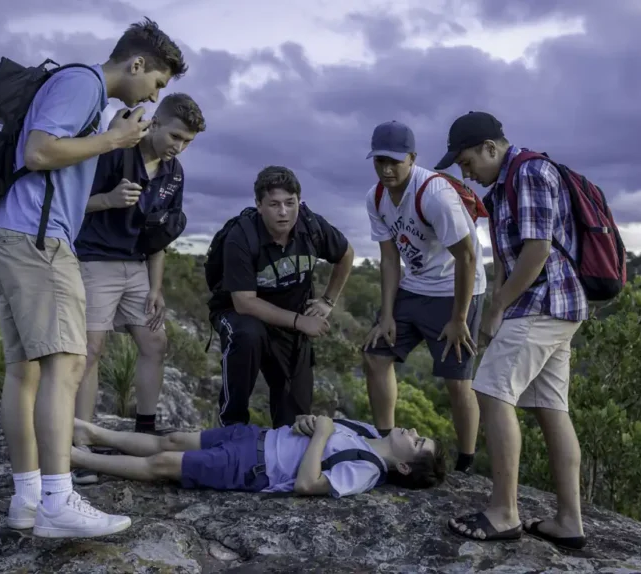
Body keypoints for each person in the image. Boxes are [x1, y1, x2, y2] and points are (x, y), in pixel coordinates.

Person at [0, 18, 188, 539]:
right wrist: (113, 139)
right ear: (136, 64)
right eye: (157, 83)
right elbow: (39, 152)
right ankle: (57, 498)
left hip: (11, 232)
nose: (155, 93)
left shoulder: (87, 96)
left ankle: (29, 499)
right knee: (67, 363)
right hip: (37, 238)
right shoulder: (82, 83)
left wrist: (107, 132)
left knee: (24, 371)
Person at [436, 111, 588, 550]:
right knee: (549, 407)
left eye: (467, 162)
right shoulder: (502, 187)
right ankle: (568, 522)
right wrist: (496, 304)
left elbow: (537, 251)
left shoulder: (531, 173)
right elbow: (506, 256)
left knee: (491, 391)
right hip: (547, 307)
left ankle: (504, 512)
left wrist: (497, 307)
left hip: (544, 304)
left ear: (491, 147)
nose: (467, 172)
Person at [71, 93, 205, 486]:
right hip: (95, 260)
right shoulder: (114, 149)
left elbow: (159, 235)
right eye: (176, 136)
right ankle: (81, 443)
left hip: (138, 268)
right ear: (156, 123)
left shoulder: (174, 173)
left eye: (187, 143)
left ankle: (143, 433)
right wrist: (109, 200)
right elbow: (68, 203)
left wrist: (156, 287)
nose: (179, 147)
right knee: (91, 350)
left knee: (154, 343)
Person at [361, 121, 485, 474]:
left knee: (457, 381)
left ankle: (466, 463)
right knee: (374, 355)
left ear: (412, 159)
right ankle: (386, 443)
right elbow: (388, 258)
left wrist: (459, 319)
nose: (386, 169)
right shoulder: (377, 197)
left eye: (395, 162)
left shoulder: (434, 194)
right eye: (379, 161)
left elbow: (467, 257)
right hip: (414, 286)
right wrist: (386, 315)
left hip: (455, 289)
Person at [206, 166, 355, 428]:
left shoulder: (311, 227)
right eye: (274, 204)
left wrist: (327, 301)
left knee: (294, 419)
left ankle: (282, 452)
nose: (284, 212)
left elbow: (346, 254)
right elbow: (244, 302)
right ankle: (231, 427)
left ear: (299, 201)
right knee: (247, 335)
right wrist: (300, 321)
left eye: (290, 203)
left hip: (289, 321)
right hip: (240, 315)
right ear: (259, 205)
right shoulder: (241, 236)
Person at [70, 414, 448, 497]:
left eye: (417, 443)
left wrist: (321, 434)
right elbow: (315, 424)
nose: (413, 432)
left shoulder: (366, 471)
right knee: (173, 441)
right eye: (419, 434)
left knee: (164, 466)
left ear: (403, 465)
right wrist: (309, 423)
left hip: (254, 467)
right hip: (256, 436)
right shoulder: (367, 431)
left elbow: (307, 484)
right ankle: (94, 433)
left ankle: (79, 459)